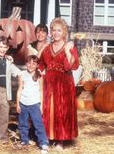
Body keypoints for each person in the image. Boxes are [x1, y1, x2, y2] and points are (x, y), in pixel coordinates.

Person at [39, 17, 79, 150]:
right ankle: (48, 137)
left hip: (64, 84)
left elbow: (71, 66)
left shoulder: (70, 47)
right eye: (53, 30)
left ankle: (60, 140)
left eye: (59, 30)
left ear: (64, 32)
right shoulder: (47, 47)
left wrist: (67, 51)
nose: (55, 33)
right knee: (48, 109)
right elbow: (40, 66)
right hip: (49, 83)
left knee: (61, 110)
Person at [16, 55, 49, 154]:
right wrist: (17, 104)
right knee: (23, 124)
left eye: (34, 63)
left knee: (38, 124)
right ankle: (24, 140)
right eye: (29, 63)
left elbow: (41, 91)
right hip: (23, 103)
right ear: (26, 63)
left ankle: (43, 143)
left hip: (34, 103)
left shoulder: (39, 76)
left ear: (37, 65)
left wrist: (41, 105)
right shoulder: (22, 74)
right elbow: (20, 89)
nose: (31, 65)